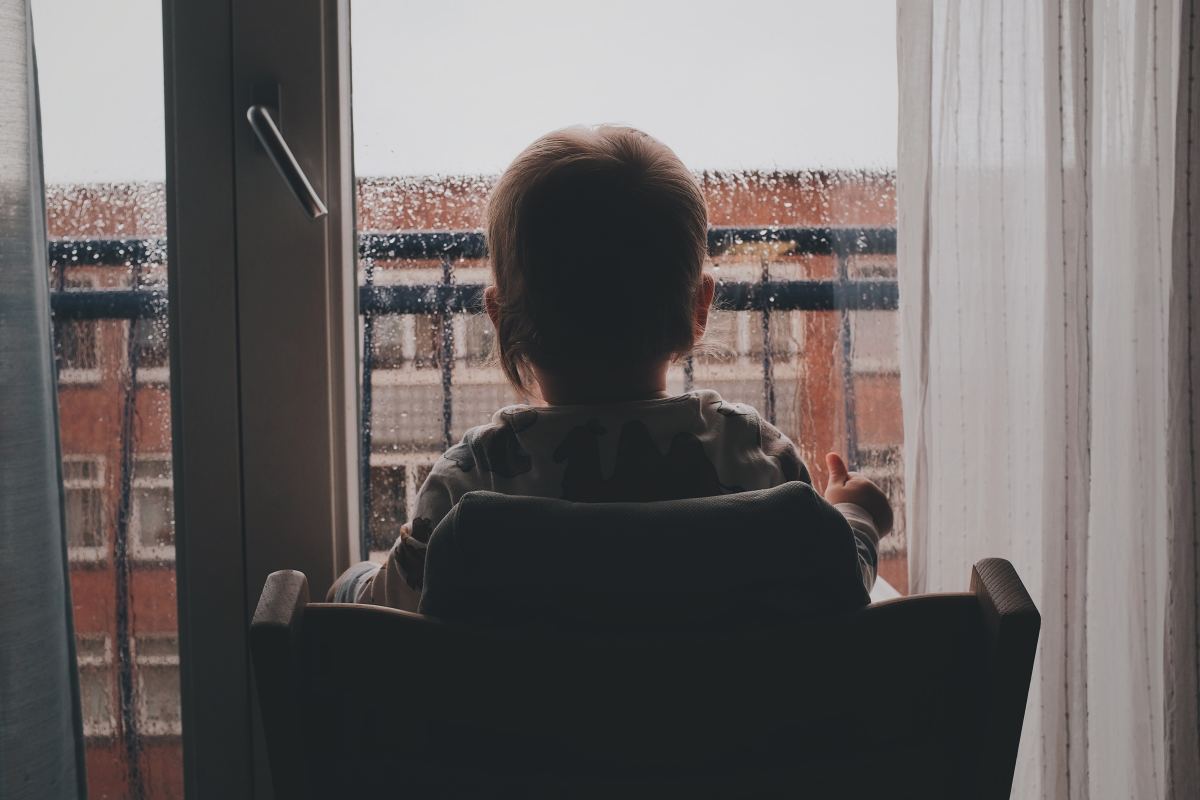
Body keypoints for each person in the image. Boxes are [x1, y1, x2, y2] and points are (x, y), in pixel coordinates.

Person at [331, 125, 893, 610]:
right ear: (699, 308)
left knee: (349, 583)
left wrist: (351, 588)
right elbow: (840, 579)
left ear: (501, 319)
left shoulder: (475, 475)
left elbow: (389, 616)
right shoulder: (752, 454)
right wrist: (857, 516)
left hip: (518, 735)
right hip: (720, 733)